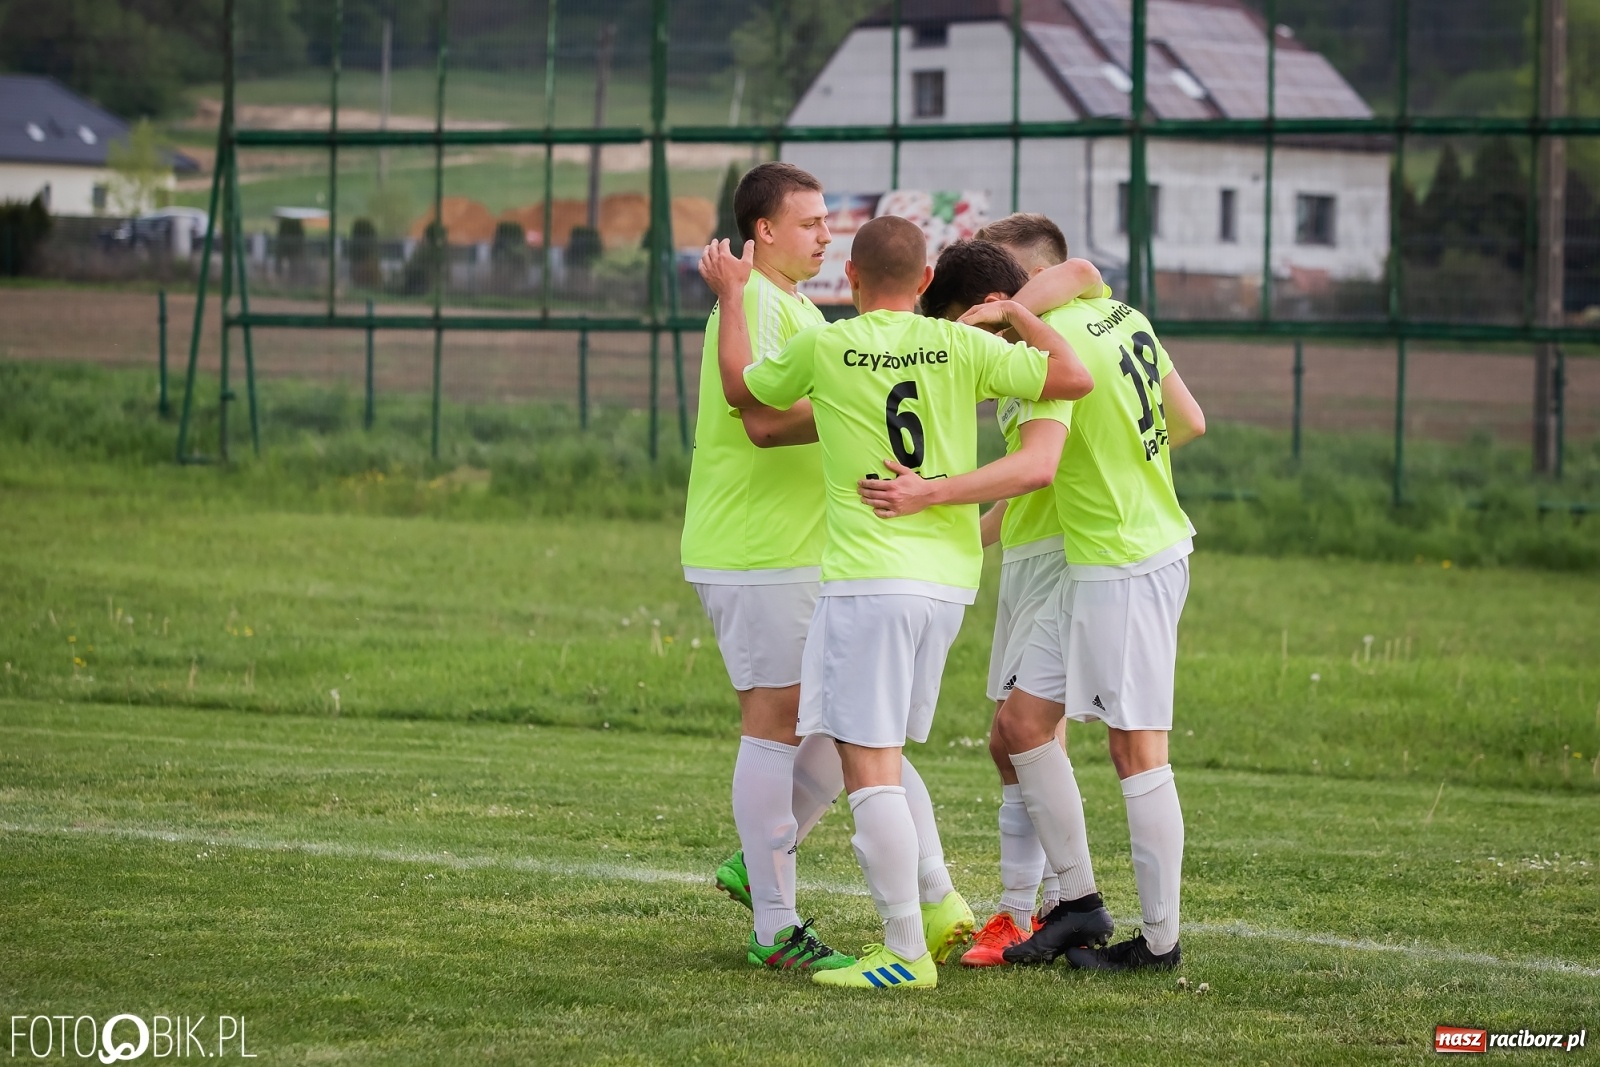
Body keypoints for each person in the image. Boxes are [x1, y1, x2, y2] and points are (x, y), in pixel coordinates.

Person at [703, 215, 1094, 990]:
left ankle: (905, 951)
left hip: (870, 578)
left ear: (847, 279)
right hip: (947, 582)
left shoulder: (828, 345)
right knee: (877, 752)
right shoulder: (962, 345)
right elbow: (1073, 378)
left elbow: (742, 393)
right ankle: (932, 912)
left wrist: (736, 297)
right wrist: (1016, 314)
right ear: (923, 284)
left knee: (869, 765)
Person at [991, 239, 1207, 972]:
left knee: (1136, 748)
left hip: (1126, 563)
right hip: (1102, 558)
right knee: (1023, 724)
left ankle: (1159, 943)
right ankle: (1079, 904)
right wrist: (1130, 463)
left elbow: (1033, 466)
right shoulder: (1119, 312)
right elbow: (1188, 422)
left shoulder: (1048, 360)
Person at [680, 161, 853, 973]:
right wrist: (863, 414)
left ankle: (759, 861)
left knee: (845, 721)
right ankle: (774, 926)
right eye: (811, 221)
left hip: (801, 553)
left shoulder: (793, 306)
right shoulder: (747, 303)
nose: (826, 233)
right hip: (755, 551)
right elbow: (763, 420)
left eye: (828, 220)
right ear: (764, 233)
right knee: (776, 721)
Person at [912, 229, 1085, 966]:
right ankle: (1043, 905)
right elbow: (1017, 494)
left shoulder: (1055, 346)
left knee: (1023, 733)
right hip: (1032, 558)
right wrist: (942, 528)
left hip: (1071, 561)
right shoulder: (1024, 353)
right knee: (1014, 739)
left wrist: (937, 495)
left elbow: (1037, 468)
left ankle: (1046, 907)